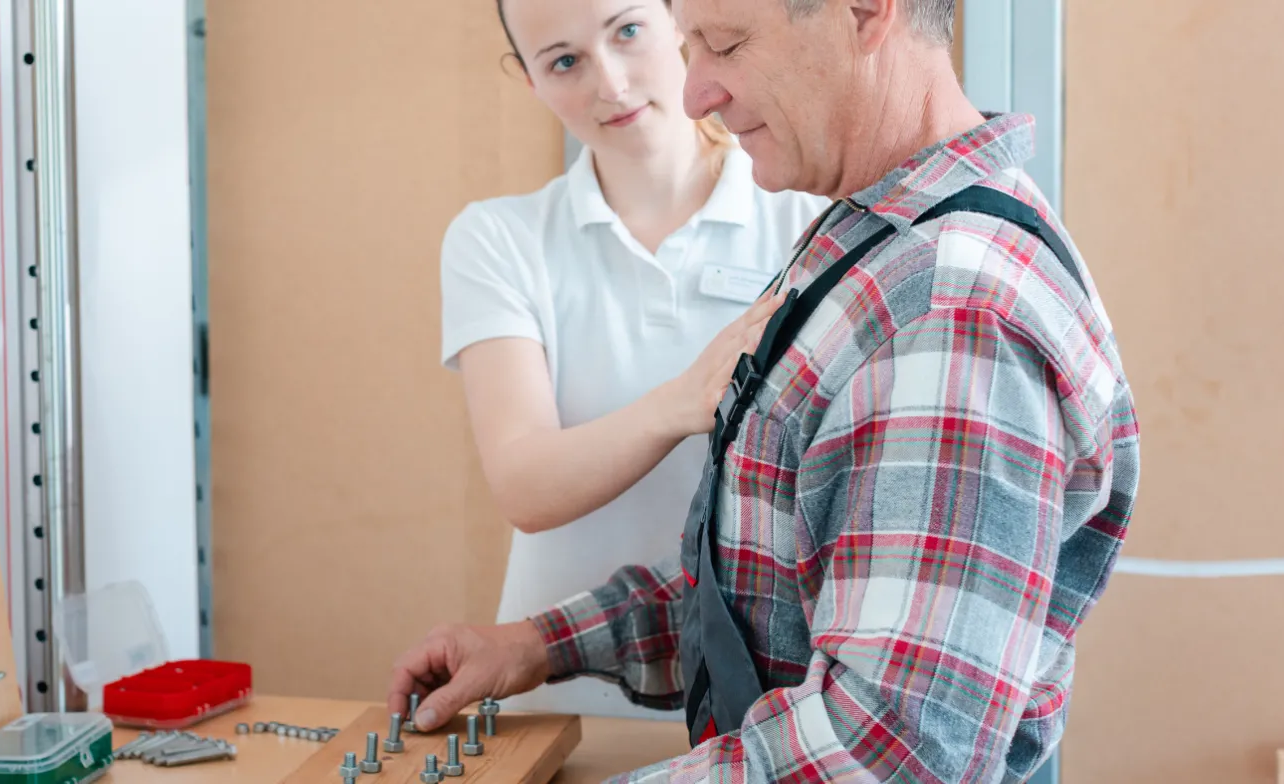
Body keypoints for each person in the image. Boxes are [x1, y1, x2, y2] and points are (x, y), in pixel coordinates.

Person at [397, 0, 1142, 780]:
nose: (695, 93)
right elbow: (766, 584)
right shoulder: (863, 242)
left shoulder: (949, 310)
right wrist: (544, 645)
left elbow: (886, 753)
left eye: (725, 44)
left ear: (863, 11)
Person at [439, 0, 829, 719]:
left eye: (627, 32)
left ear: (681, 23)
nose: (610, 84)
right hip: (556, 692)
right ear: (529, 81)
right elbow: (526, 486)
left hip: (756, 705)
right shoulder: (499, 239)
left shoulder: (804, 217)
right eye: (563, 61)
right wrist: (680, 403)